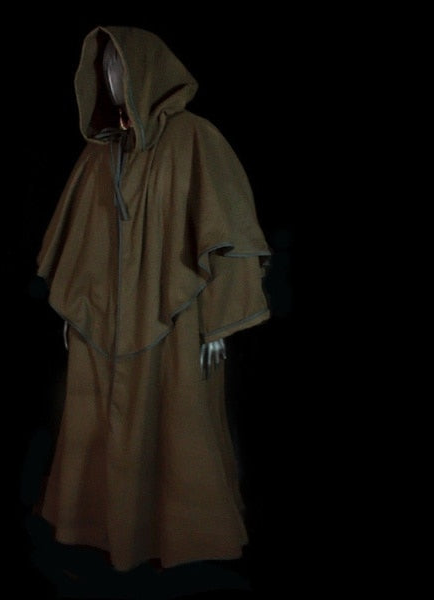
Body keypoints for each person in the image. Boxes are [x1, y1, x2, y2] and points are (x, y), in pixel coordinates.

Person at [35, 25, 271, 572]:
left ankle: (185, 536)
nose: (111, 77)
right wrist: (77, 307)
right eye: (104, 67)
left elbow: (228, 235)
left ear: (146, 68)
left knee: (178, 421)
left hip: (175, 320)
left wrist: (219, 323)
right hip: (104, 323)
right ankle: (102, 529)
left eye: (119, 64)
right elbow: (80, 243)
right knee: (100, 422)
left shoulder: (196, 139)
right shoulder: (99, 154)